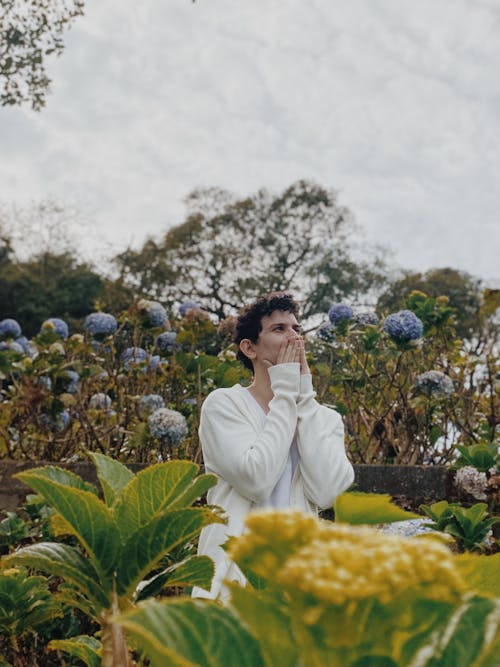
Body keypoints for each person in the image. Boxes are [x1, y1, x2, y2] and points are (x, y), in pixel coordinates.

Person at [191, 292, 354, 600]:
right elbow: (255, 479)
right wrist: (285, 394)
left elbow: (328, 492)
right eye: (279, 329)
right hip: (232, 577)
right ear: (249, 347)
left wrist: (303, 398)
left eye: (297, 329)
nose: (294, 337)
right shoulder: (224, 405)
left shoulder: (324, 419)